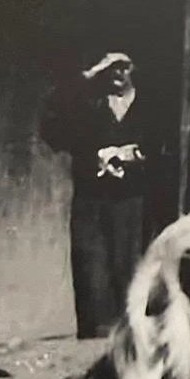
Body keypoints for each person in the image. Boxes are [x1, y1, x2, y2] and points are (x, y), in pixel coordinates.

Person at [40, 52, 153, 339]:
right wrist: (87, 77)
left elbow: (166, 146)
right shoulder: (87, 104)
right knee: (90, 266)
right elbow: (52, 129)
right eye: (110, 67)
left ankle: (129, 337)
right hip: (91, 196)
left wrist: (134, 155)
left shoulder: (152, 104)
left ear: (134, 68)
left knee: (128, 265)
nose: (117, 73)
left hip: (133, 198)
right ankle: (93, 337)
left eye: (124, 66)